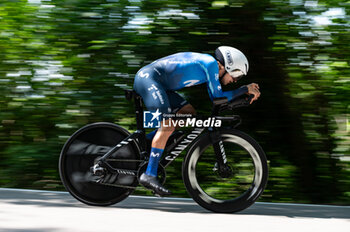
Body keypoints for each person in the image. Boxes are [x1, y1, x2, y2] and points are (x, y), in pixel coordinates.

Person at [133, 46, 261, 196]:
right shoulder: (210, 64)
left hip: (159, 84)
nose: (235, 80)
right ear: (229, 66)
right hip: (149, 79)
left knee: (188, 113)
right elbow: (217, 97)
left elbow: (217, 99)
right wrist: (244, 89)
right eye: (237, 76)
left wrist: (242, 95)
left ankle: (148, 143)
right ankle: (149, 174)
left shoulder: (209, 67)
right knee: (168, 125)